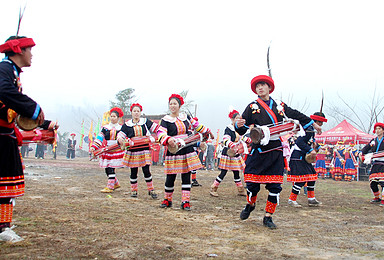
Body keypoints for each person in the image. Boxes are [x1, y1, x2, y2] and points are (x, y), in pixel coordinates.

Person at [235, 75, 322, 229]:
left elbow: (297, 115)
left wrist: (313, 124)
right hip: (259, 149)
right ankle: (250, 204)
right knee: (252, 185)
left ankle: (268, 216)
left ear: (269, 87)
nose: (260, 88)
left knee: (275, 187)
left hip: (275, 150)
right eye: (257, 86)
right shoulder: (252, 107)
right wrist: (238, 124)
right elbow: (242, 128)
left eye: (263, 85)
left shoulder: (280, 106)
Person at [0, 35, 45, 239]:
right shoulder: (4, 70)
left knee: (7, 183)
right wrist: (33, 108)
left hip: (6, 134)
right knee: (4, 181)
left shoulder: (12, 72)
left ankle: (4, 225)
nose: (32, 54)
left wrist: (43, 122)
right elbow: (4, 92)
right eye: (29, 49)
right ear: (19, 50)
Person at [157, 94, 214, 210]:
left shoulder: (186, 117)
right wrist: (168, 139)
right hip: (173, 149)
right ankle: (167, 199)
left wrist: (208, 131)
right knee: (170, 176)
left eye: (175, 103)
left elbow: (198, 127)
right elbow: (160, 133)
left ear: (179, 105)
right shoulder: (165, 120)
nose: (172, 106)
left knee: (186, 175)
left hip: (186, 148)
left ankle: (185, 201)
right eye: (171, 103)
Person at [117, 103, 159, 199]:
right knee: (133, 171)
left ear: (140, 112)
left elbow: (157, 128)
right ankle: (134, 190)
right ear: (131, 112)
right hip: (133, 151)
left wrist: (159, 135)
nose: (136, 113)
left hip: (144, 150)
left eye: (138, 111)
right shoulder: (127, 125)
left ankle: (151, 189)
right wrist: (120, 139)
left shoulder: (145, 122)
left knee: (146, 170)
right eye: (134, 111)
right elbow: (121, 135)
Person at [287, 112, 327, 208]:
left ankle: (311, 199)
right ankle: (291, 200)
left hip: (303, 157)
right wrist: (310, 150)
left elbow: (310, 142)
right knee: (301, 179)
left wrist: (317, 147)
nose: (321, 125)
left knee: (312, 177)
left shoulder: (311, 130)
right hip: (298, 156)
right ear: (317, 122)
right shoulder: (308, 129)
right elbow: (300, 142)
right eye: (320, 123)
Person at [210, 109, 247, 197]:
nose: (238, 120)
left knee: (236, 172)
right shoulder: (229, 128)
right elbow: (225, 139)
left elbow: (241, 138)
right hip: (228, 152)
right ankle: (213, 188)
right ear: (232, 119)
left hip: (236, 153)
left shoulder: (239, 129)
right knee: (223, 172)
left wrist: (248, 140)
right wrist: (231, 145)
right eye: (236, 118)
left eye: (239, 118)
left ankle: (240, 189)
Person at [91, 107, 125, 193]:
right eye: (111, 116)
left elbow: (124, 139)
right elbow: (100, 138)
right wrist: (94, 147)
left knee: (111, 168)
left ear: (118, 118)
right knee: (107, 168)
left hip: (116, 150)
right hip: (107, 149)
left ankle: (110, 187)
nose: (112, 118)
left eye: (114, 116)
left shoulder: (121, 128)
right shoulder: (105, 128)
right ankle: (116, 183)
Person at [360, 122, 384, 205]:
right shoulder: (373, 140)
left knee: (383, 182)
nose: (377, 131)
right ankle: (377, 197)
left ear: (383, 130)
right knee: (373, 182)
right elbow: (366, 148)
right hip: (375, 163)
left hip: (383, 163)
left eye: (379, 129)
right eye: (376, 129)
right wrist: (361, 153)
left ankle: (383, 200)